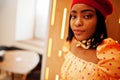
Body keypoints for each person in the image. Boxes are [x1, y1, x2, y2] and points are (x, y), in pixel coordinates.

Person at [60, 0, 120, 80]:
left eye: (87, 16)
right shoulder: (71, 43)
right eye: (74, 16)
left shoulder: (108, 53)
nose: (77, 23)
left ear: (100, 20)